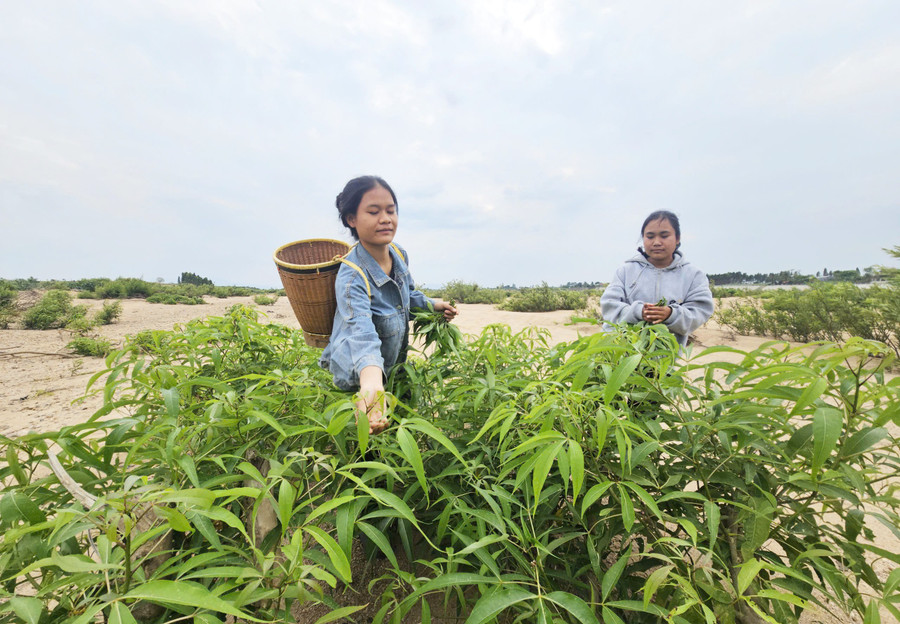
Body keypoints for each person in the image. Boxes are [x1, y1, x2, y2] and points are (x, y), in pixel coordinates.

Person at [319, 175, 458, 434]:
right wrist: (372, 386)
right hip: (359, 376)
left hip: (392, 367)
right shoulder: (351, 278)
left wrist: (433, 305)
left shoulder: (399, 253)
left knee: (391, 436)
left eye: (390, 211)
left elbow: (406, 296)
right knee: (363, 441)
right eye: (373, 212)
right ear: (351, 219)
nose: (385, 219)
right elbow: (361, 335)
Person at [600, 211, 713, 348]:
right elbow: (609, 306)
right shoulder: (625, 271)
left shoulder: (693, 275)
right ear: (643, 239)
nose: (657, 242)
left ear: (677, 238)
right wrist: (638, 312)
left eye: (664, 236)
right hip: (619, 354)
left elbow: (700, 312)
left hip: (664, 360)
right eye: (650, 236)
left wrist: (671, 314)